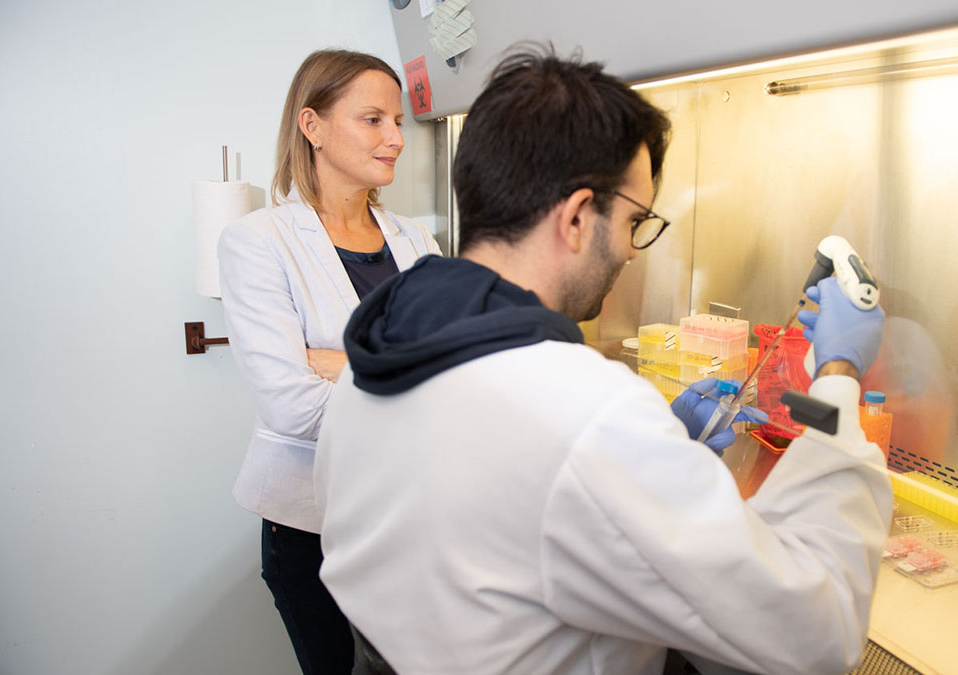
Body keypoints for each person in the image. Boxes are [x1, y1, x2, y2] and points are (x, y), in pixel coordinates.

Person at [314, 46, 890, 675]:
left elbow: (489, 527)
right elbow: (814, 633)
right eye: (635, 221)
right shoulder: (588, 415)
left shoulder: (376, 359)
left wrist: (662, 454)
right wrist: (838, 378)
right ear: (579, 217)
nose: (634, 252)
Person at [218, 49, 441, 674]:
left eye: (397, 121)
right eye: (373, 119)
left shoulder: (416, 239)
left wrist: (341, 363)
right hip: (313, 524)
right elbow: (292, 409)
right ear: (312, 126)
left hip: (411, 514)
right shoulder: (259, 242)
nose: (396, 139)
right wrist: (417, 377)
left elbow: (459, 372)